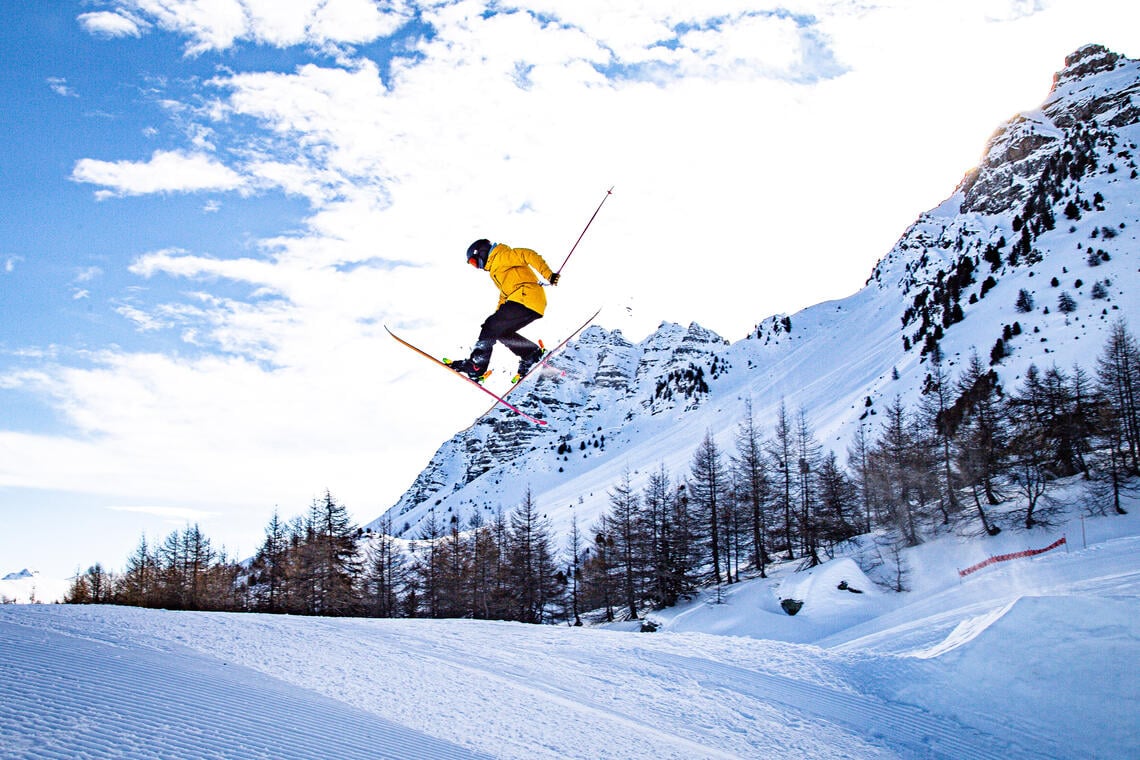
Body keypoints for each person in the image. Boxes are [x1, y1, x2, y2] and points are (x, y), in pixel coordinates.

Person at [446, 238, 560, 382]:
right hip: (528, 301)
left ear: (481, 252)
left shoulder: (502, 255)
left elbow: (528, 254)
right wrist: (496, 317)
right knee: (500, 332)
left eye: (475, 262)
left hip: (525, 297)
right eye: (474, 265)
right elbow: (504, 295)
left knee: (491, 327)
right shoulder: (496, 270)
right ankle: (531, 354)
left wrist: (548, 274)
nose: (478, 267)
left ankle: (476, 365)